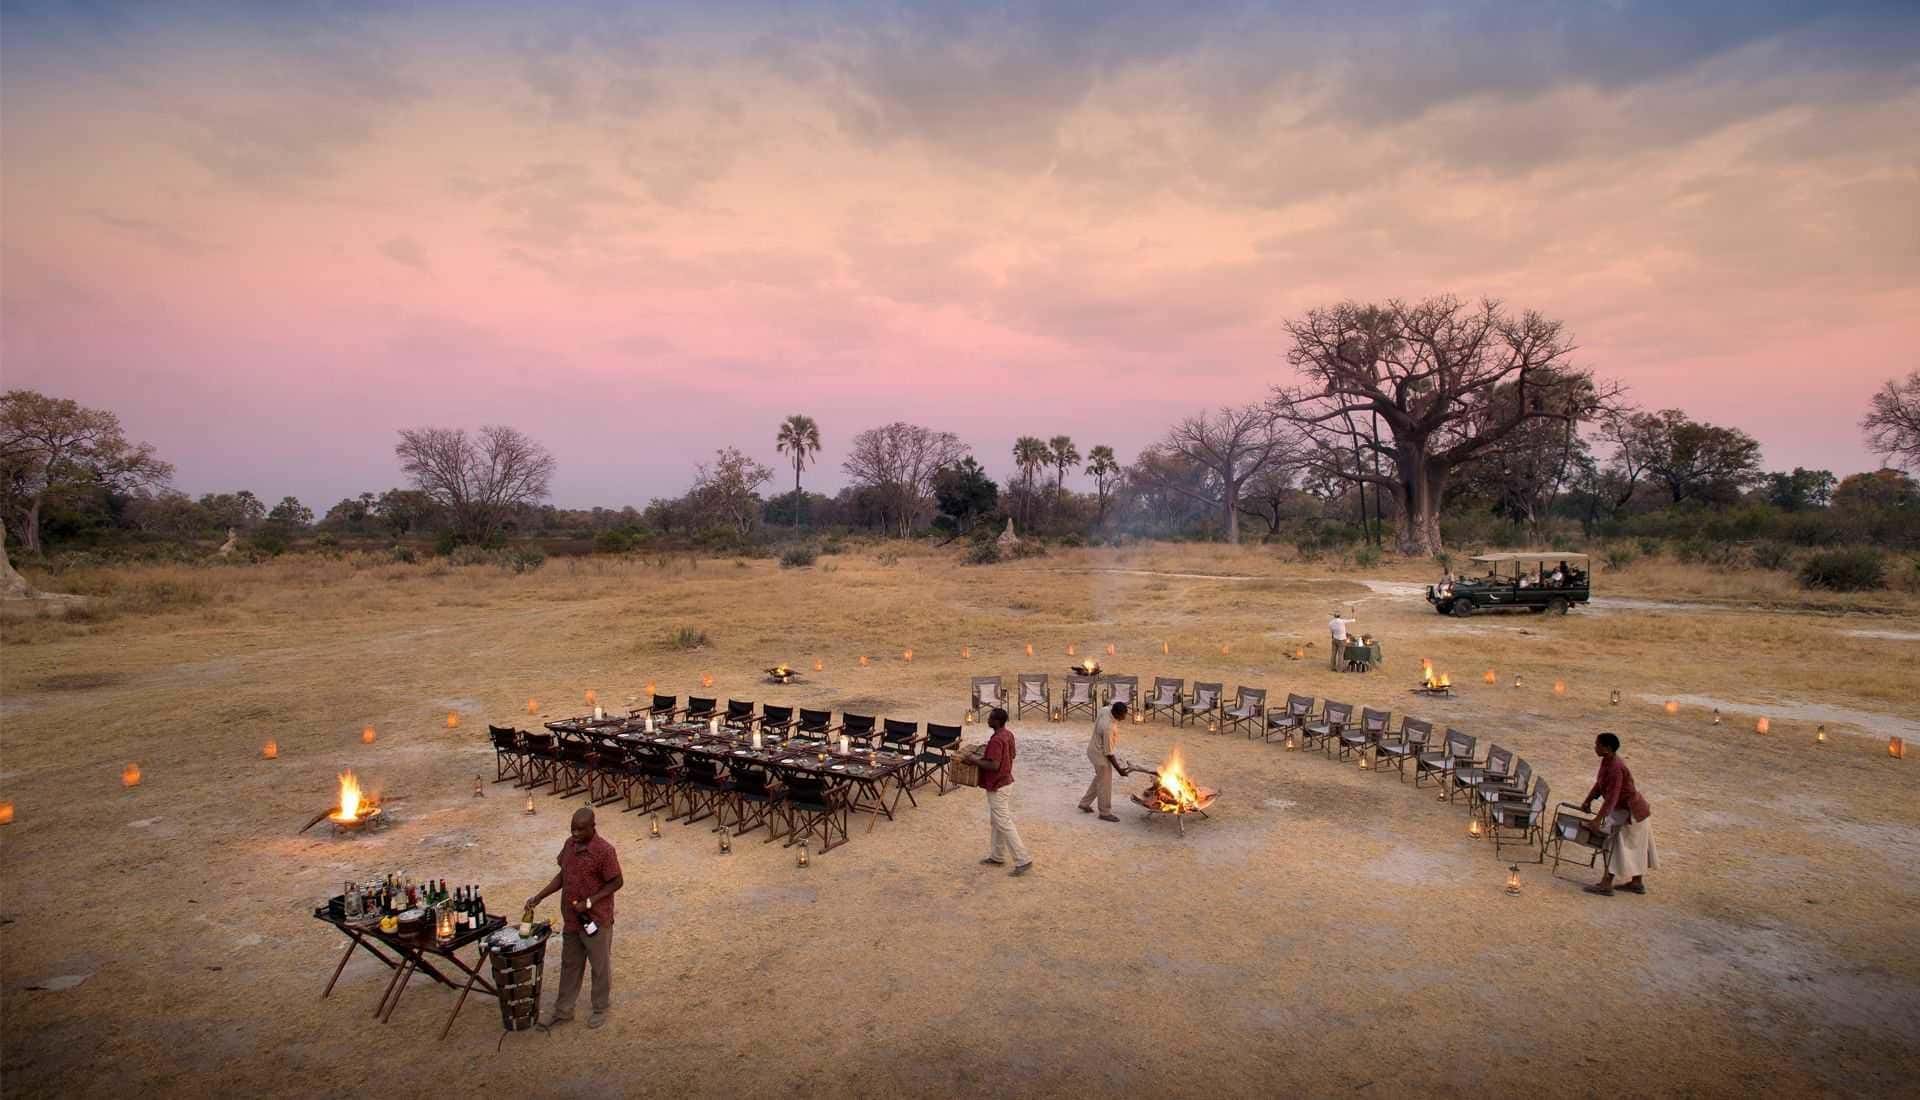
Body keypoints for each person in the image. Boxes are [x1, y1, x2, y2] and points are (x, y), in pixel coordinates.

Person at [525, 807, 625, 1027]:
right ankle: (563, 1011)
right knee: (570, 964)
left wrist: (590, 901)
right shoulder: (569, 845)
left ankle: (600, 1007)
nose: (575, 834)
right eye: (573, 829)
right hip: (571, 919)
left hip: (596, 919)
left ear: (592, 827)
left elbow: (617, 881)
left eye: (580, 830)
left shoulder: (605, 851)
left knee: (599, 966)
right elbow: (562, 876)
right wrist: (539, 897)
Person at [1580, 732, 1655, 896]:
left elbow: (1612, 798)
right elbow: (1600, 784)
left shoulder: (1615, 768)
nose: (1595, 747)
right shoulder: (1607, 761)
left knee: (1612, 844)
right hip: (1629, 810)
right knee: (1635, 845)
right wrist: (1588, 800)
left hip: (1632, 811)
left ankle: (1606, 884)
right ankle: (1636, 882)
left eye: (1598, 745)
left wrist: (1597, 820)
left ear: (1607, 749)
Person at [963, 707, 1033, 876]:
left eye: (990, 718)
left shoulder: (996, 740)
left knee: (1003, 822)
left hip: (998, 785)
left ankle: (1023, 859)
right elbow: (1012, 755)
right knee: (997, 821)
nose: (988, 720)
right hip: (1005, 781)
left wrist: (973, 760)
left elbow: (993, 765)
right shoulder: (1008, 735)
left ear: (997, 721)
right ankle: (997, 856)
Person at [1078, 701, 1133, 821]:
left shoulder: (1105, 710)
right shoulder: (1109, 728)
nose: (1124, 718)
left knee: (1100, 778)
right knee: (1105, 784)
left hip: (1092, 749)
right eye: (1123, 715)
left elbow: (1107, 705)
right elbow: (1109, 753)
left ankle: (1084, 803)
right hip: (1100, 756)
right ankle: (1105, 812)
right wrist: (1119, 770)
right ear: (1116, 713)